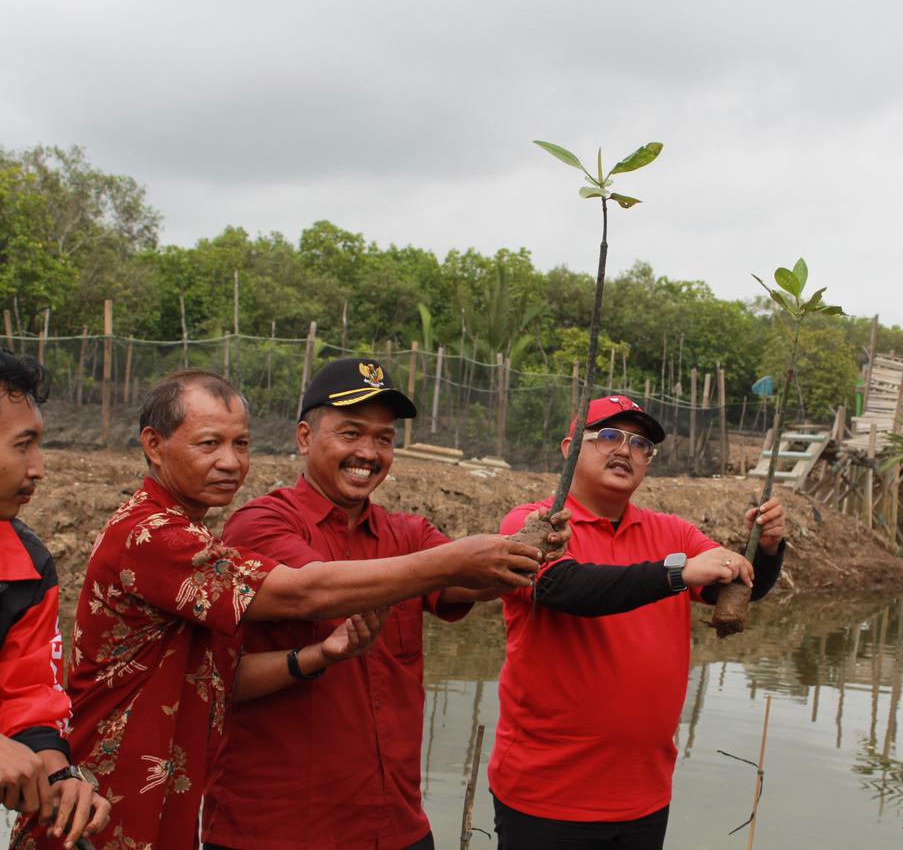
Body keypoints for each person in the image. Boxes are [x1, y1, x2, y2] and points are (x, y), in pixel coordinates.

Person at [15, 370, 561, 849]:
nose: (230, 462)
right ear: (154, 446)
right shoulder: (159, 535)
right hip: (112, 806)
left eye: (241, 444)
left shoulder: (198, 537)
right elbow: (303, 590)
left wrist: (520, 548)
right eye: (209, 444)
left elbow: (222, 675)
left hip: (171, 805)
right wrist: (449, 562)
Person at [200, 358, 567, 850]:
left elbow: (472, 582)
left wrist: (526, 547)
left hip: (394, 824)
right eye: (351, 433)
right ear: (305, 438)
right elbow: (316, 588)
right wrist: (450, 560)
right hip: (281, 828)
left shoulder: (408, 534)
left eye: (384, 439)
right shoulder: (261, 523)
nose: (368, 453)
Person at [488, 394, 787, 850]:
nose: (625, 450)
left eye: (641, 443)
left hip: (643, 797)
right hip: (546, 796)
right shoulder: (535, 523)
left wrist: (762, 550)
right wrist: (676, 573)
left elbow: (733, 588)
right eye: (608, 436)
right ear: (570, 448)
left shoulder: (674, 532)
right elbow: (565, 588)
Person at [0, 352, 110, 849]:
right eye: (23, 446)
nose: (39, 468)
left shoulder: (25, 564)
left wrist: (61, 778)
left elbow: (26, 697)